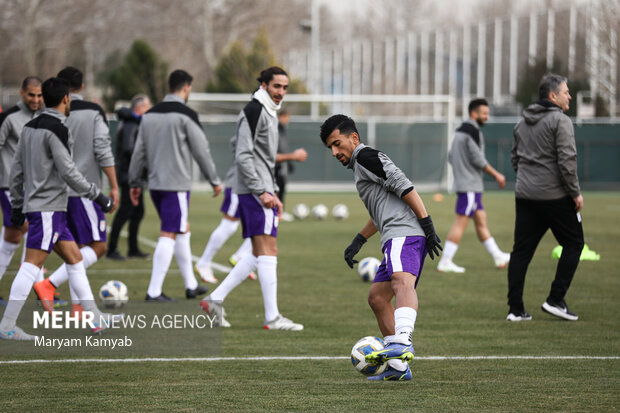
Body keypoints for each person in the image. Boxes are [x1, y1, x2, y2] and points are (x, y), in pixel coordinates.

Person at [320, 114, 442, 381]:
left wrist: (427, 224)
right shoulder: (360, 166)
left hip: (404, 234)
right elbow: (380, 211)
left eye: (337, 144)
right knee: (377, 297)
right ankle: (398, 367)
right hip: (393, 236)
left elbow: (403, 185)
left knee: (401, 283)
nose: (334, 152)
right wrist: (359, 240)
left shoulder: (366, 157)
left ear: (354, 138)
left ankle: (402, 342)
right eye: (330, 147)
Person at [0, 77, 114, 340]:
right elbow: (69, 171)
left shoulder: (28, 127)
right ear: (66, 99)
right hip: (49, 209)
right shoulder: (58, 129)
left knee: (75, 259)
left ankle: (94, 318)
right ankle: (7, 325)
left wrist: (17, 205)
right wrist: (98, 196)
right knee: (31, 266)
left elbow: (15, 172)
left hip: (46, 209)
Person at [200, 67, 303, 331]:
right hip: (254, 193)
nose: (281, 92)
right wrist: (261, 190)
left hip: (261, 189)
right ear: (264, 85)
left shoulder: (267, 110)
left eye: (285, 87)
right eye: (276, 86)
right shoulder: (254, 110)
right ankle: (272, 318)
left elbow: (246, 149)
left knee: (259, 252)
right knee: (268, 251)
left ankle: (215, 299)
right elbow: (243, 154)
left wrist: (273, 190)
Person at [33, 67, 119, 316]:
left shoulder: (46, 113)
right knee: (98, 246)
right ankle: (49, 284)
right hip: (85, 191)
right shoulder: (93, 111)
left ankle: (78, 308)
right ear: (81, 87)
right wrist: (113, 186)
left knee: (76, 249)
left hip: (55, 192)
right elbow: (102, 149)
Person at [129, 69, 221, 302]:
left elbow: (138, 152)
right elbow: (201, 150)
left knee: (182, 228)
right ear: (186, 87)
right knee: (169, 232)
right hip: (176, 185)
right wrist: (214, 179)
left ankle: (190, 285)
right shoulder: (186, 114)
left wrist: (134, 181)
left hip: (156, 186)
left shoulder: (149, 115)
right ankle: (153, 292)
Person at [507, 73, 584, 322]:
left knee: (521, 252)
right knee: (574, 244)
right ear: (553, 96)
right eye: (565, 92)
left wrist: (529, 181)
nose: (569, 96)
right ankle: (555, 300)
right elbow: (567, 161)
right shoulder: (560, 121)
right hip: (554, 196)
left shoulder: (521, 123)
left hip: (525, 195)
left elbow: (515, 159)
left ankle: (515, 310)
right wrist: (575, 192)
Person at [195, 110, 307, 281]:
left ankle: (240, 257)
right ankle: (204, 263)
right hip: (240, 183)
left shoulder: (266, 124)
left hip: (259, 185)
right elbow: (259, 156)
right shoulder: (252, 122)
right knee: (229, 225)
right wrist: (293, 156)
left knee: (263, 225)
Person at [437, 98, 510, 273]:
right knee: (460, 224)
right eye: (484, 113)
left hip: (469, 186)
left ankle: (498, 256)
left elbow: (451, 157)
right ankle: (445, 261)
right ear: (473, 113)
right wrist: (497, 175)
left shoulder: (460, 132)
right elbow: (479, 160)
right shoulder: (472, 132)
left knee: (481, 222)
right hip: (470, 187)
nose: (487, 116)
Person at [0, 77, 43, 303]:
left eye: (39, 95)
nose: (35, 99)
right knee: (34, 229)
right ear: (22, 93)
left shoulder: (42, 118)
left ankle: (39, 287)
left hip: (33, 187)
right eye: (31, 95)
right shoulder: (8, 119)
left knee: (12, 237)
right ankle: (40, 288)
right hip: (9, 185)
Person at [107, 94, 152, 260]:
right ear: (139, 108)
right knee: (125, 212)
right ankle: (112, 249)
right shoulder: (130, 124)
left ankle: (133, 248)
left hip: (134, 175)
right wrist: (144, 158)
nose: (150, 109)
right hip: (128, 175)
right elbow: (128, 148)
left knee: (138, 212)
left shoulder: (135, 123)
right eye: (147, 106)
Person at [275, 109, 307, 221]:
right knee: (279, 186)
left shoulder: (281, 128)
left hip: (281, 161)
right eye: (286, 117)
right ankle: (278, 213)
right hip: (277, 163)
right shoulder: (277, 128)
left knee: (280, 186)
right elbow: (279, 147)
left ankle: (279, 212)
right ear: (281, 116)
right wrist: (289, 158)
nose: (287, 120)